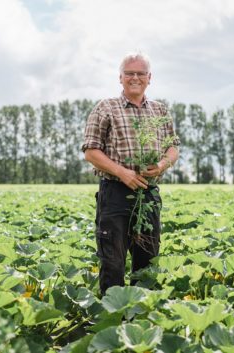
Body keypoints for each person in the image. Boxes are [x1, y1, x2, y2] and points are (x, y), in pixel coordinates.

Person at [81, 52, 180, 295]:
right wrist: (122, 172)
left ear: (149, 78)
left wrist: (162, 164)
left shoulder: (160, 111)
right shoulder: (105, 108)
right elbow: (90, 151)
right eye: (129, 73)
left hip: (148, 194)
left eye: (140, 73)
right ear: (120, 78)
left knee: (147, 260)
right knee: (113, 261)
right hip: (115, 194)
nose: (134, 78)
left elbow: (173, 147)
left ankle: (142, 318)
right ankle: (113, 316)